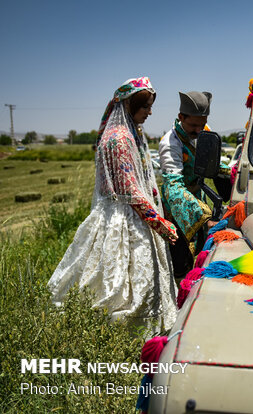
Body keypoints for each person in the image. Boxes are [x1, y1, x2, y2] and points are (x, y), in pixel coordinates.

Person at [48, 77, 178, 332]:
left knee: (126, 281)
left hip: (126, 215)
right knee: (120, 284)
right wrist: (158, 222)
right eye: (145, 107)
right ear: (130, 106)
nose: (150, 112)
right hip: (124, 219)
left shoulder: (129, 133)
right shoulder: (119, 140)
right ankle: (123, 336)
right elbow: (129, 190)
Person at [159, 91, 218, 279]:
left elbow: (215, 164)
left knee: (201, 256)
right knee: (181, 261)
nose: (199, 130)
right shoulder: (171, 143)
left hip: (196, 202)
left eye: (202, 124)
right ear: (181, 118)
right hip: (177, 207)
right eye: (193, 125)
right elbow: (173, 186)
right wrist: (203, 217)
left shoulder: (203, 131)